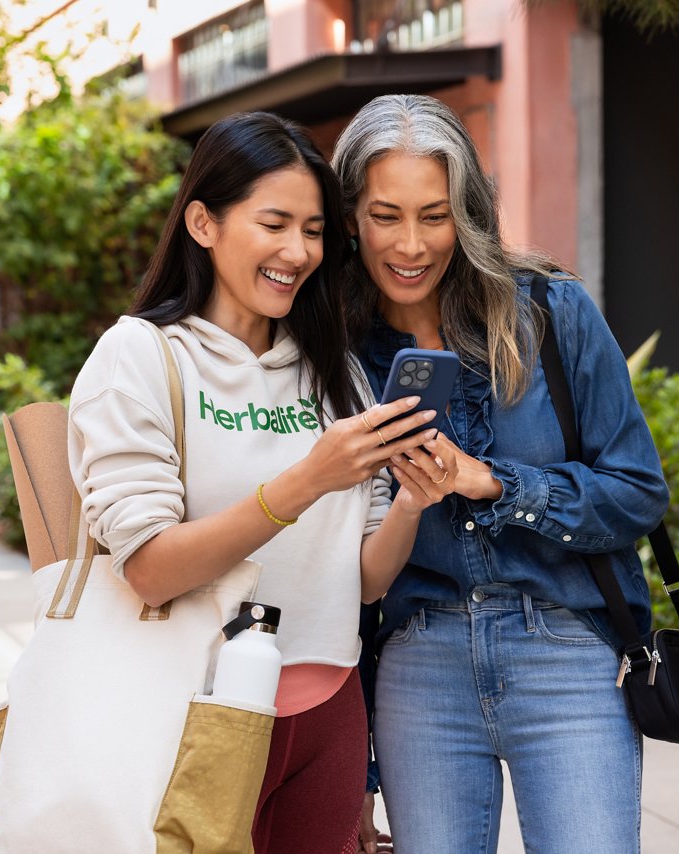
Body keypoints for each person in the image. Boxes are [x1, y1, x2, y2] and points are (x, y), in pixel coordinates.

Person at [67, 111, 452, 854]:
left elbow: (367, 581)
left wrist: (411, 497)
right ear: (203, 223)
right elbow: (149, 570)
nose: (297, 251)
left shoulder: (330, 371)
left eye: (313, 231)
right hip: (194, 708)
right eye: (274, 223)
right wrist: (306, 481)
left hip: (329, 710)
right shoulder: (142, 357)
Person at [332, 94, 670, 853]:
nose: (411, 244)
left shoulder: (552, 312)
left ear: (470, 212)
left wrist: (492, 483)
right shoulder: (333, 351)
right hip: (418, 667)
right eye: (386, 215)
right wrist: (357, 772)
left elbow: (638, 492)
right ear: (351, 215)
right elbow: (331, 573)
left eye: (436, 214)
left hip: (566, 656)